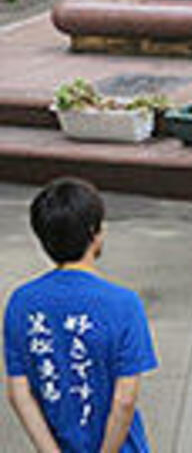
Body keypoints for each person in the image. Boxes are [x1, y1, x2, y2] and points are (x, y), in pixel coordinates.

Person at [3, 178, 158, 452]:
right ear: (94, 233)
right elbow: (124, 400)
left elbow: (19, 392)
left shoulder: (21, 303)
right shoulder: (124, 304)